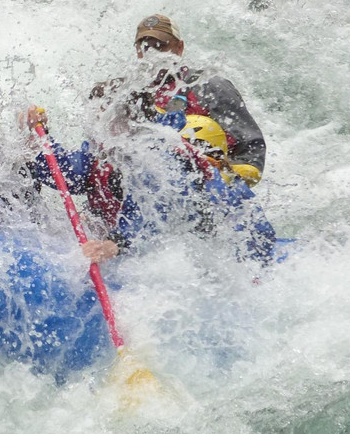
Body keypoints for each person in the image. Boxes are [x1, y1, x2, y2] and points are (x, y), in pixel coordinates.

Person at [27, 88, 276, 266]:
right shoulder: (103, 152)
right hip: (139, 239)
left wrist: (115, 244)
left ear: (129, 123)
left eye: (102, 118)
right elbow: (64, 172)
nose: (94, 127)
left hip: (233, 247)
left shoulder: (160, 156)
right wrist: (38, 134)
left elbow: (155, 208)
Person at [131, 13, 267, 185]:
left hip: (206, 186)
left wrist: (220, 172)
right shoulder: (130, 93)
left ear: (179, 48)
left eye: (160, 46)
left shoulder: (209, 86)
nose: (152, 55)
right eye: (145, 48)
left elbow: (252, 152)